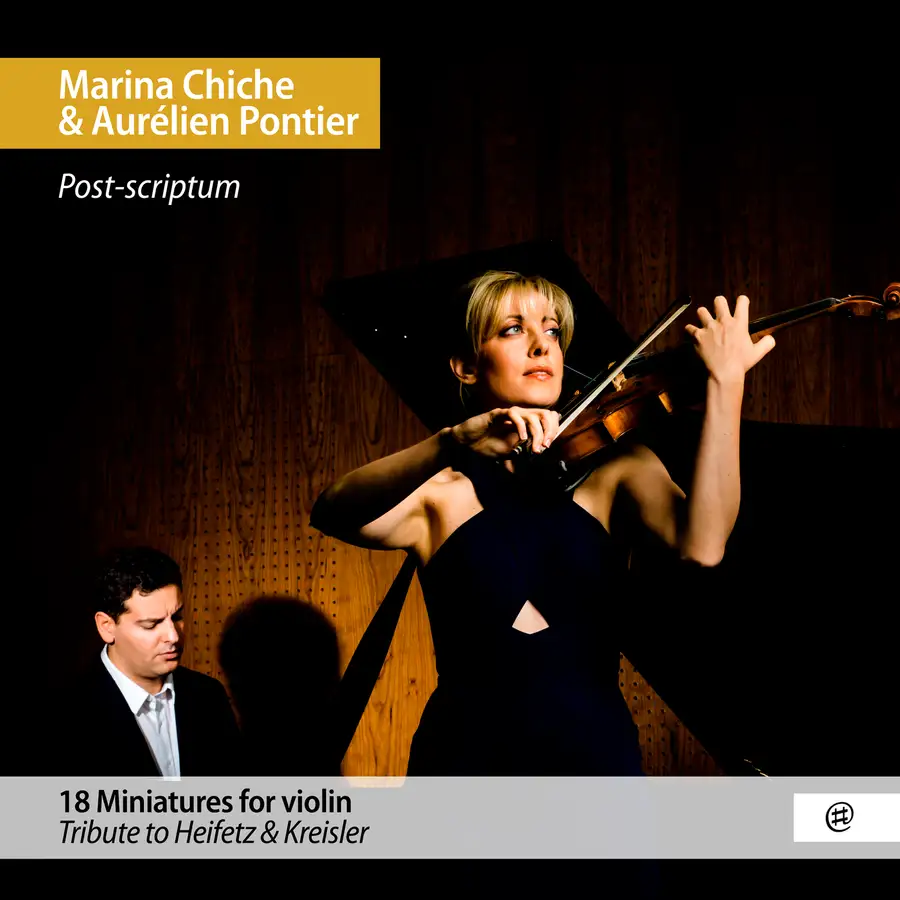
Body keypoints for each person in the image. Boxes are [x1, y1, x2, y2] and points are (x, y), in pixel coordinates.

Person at [310, 270, 775, 775]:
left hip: (594, 766)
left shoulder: (617, 472)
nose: (541, 345)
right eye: (513, 329)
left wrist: (726, 383)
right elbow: (332, 511)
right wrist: (450, 442)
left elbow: (704, 544)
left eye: (552, 331)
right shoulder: (442, 493)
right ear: (466, 367)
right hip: (465, 769)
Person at [57, 546, 242, 777]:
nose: (173, 636)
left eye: (177, 617)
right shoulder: (64, 715)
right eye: (151, 625)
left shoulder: (209, 696)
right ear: (106, 627)